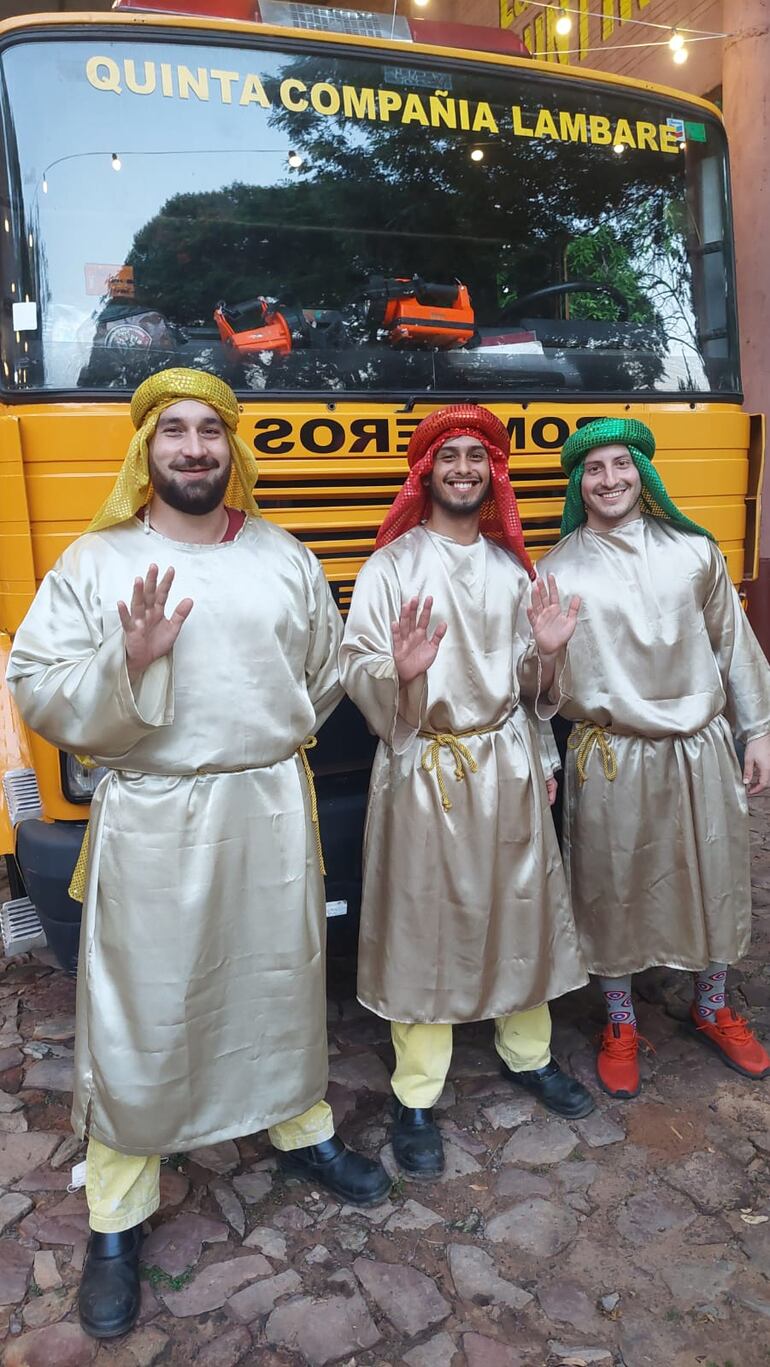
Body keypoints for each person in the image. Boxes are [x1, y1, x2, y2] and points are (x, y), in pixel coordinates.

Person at [7, 368, 389, 1341]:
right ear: (147, 448)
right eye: (173, 430)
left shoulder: (283, 555)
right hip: (154, 813)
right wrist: (127, 662)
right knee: (142, 1005)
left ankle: (299, 1126)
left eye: (209, 431)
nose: (192, 447)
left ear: (231, 448)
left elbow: (324, 670)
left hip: (268, 803)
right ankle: (117, 1209)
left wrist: (257, 736)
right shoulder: (95, 562)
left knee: (279, 979)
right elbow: (37, 683)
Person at [339, 404, 593, 1179]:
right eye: (448, 455)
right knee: (423, 920)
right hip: (423, 762)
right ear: (426, 471)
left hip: (505, 760)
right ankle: (416, 1092)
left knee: (522, 902)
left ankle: (529, 1051)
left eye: (475, 457)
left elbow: (529, 687)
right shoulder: (390, 567)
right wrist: (398, 672)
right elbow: (355, 664)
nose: (462, 469)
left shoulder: (513, 571)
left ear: (492, 473)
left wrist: (547, 656)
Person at [538, 416, 770, 1100]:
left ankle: (712, 1005)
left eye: (621, 464)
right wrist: (545, 673)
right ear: (579, 483)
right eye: (594, 469)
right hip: (610, 753)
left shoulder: (695, 551)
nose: (609, 479)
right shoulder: (556, 569)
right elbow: (535, 683)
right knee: (612, 886)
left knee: (714, 874)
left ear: (643, 473)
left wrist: (758, 729)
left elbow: (734, 643)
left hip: (700, 746)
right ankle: (619, 1020)